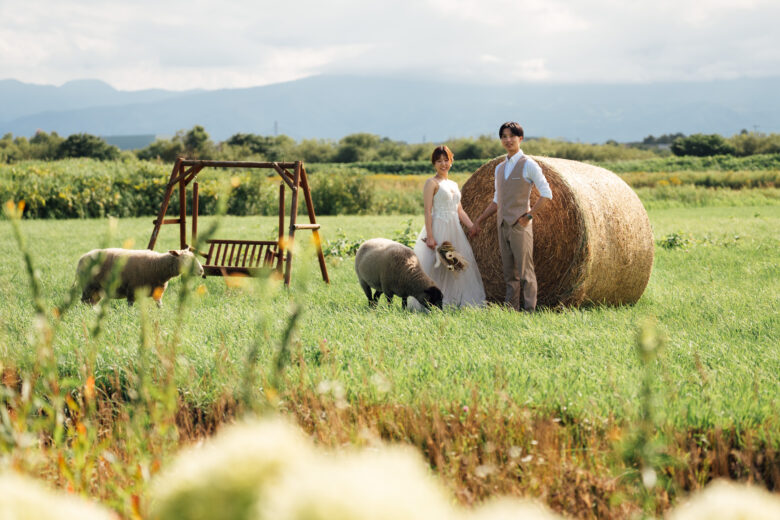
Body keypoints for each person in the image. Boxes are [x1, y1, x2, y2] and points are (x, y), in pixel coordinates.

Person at [469, 122, 552, 312]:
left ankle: (530, 310)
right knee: (509, 274)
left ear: (520, 138)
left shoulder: (529, 164)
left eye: (512, 136)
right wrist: (479, 220)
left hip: (520, 226)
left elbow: (547, 194)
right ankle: (511, 309)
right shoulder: (499, 168)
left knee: (525, 272)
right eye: (504, 136)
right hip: (502, 225)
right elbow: (497, 200)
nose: (508, 140)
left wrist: (528, 216)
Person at [408, 145, 485, 309]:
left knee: (456, 265)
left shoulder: (454, 184)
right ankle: (430, 301)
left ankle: (452, 299)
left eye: (446, 160)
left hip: (454, 228)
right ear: (434, 163)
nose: (443, 164)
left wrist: (472, 226)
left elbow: (459, 210)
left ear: (451, 161)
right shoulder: (431, 183)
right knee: (436, 265)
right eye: (439, 161)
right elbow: (428, 211)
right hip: (438, 227)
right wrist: (430, 236)